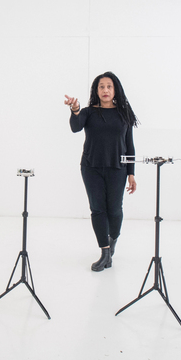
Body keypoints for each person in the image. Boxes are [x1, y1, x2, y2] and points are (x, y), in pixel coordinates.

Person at [64, 72, 138, 272]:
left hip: (118, 169)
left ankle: (112, 240)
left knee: (114, 210)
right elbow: (75, 127)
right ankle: (105, 252)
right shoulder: (89, 112)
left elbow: (129, 145)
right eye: (101, 87)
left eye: (109, 86)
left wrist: (131, 173)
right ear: (96, 91)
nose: (105, 90)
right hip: (91, 167)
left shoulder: (124, 113)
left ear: (115, 90)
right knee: (97, 209)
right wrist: (75, 109)